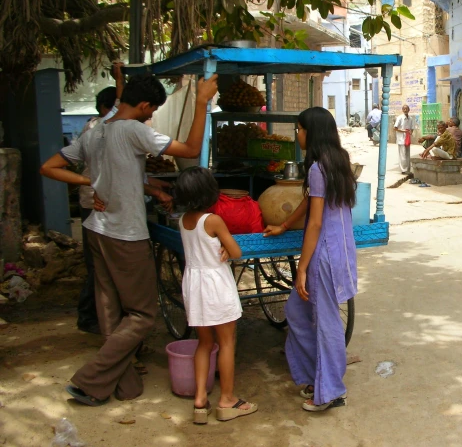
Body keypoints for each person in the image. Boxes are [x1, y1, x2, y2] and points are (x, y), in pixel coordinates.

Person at [40, 72, 218, 406]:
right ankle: (88, 380)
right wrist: (201, 101)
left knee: (110, 310)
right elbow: (192, 149)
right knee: (141, 314)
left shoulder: (95, 132)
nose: (151, 116)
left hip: (96, 230)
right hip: (125, 234)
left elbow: (49, 167)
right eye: (151, 110)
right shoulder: (135, 130)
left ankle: (122, 384)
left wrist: (88, 183)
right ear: (144, 105)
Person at [263, 107, 357, 412]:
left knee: (326, 322)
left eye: (300, 130)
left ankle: (331, 391)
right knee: (296, 311)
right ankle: (315, 376)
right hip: (340, 250)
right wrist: (285, 224)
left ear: (311, 133)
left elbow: (315, 223)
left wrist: (301, 268)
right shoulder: (337, 161)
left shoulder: (319, 168)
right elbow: (309, 202)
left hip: (325, 255)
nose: (297, 135)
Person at [174, 167, 257, 424]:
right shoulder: (212, 220)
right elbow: (236, 252)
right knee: (227, 342)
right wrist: (224, 245)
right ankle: (227, 400)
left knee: (205, 343)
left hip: (194, 284)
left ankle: (200, 400)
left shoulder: (183, 220)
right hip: (215, 284)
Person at [76, 63, 125, 335]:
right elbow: (120, 111)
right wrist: (120, 80)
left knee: (97, 265)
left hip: (93, 200)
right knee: (98, 266)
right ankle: (89, 317)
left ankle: (91, 315)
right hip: (95, 202)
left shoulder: (92, 126)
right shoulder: (99, 126)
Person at [394, 104, 414, 174]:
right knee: (402, 154)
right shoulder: (400, 118)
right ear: (402, 110)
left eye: (406, 109)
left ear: (409, 110)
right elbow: (395, 128)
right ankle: (403, 169)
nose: (405, 110)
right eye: (404, 109)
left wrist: (410, 132)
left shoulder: (410, 118)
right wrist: (404, 131)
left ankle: (408, 169)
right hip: (401, 138)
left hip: (407, 137)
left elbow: (412, 128)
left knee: (407, 153)